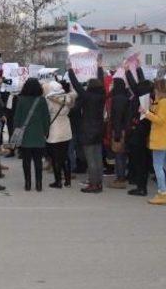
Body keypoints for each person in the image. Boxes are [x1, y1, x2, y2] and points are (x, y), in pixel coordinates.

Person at [141, 79, 166, 205]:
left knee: (158, 166)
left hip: (159, 137)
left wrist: (146, 112)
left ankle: (162, 193)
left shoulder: (164, 102)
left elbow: (160, 120)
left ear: (160, 90)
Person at [68, 64, 106, 194]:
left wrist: (70, 70)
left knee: (91, 159)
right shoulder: (102, 96)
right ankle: (99, 182)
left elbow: (76, 85)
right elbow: (101, 81)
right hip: (99, 129)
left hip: (88, 130)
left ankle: (93, 184)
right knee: (98, 157)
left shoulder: (87, 96)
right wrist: (100, 67)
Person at [13, 78, 49, 192]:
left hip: (25, 136)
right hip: (38, 135)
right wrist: (45, 132)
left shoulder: (21, 100)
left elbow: (17, 118)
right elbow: (46, 118)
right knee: (38, 161)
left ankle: (27, 183)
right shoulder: (42, 100)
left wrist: (16, 132)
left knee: (26, 161)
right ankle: (39, 184)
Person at [125, 65, 153, 197]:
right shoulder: (147, 96)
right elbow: (139, 85)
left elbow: (135, 86)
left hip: (138, 133)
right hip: (145, 132)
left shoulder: (141, 99)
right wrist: (137, 68)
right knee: (144, 161)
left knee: (139, 161)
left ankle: (141, 187)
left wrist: (127, 71)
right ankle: (141, 186)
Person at [44, 81, 75, 188]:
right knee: (65, 156)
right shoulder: (67, 98)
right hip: (66, 128)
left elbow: (47, 113)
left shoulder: (49, 100)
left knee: (55, 157)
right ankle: (68, 180)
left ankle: (58, 181)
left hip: (54, 129)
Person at [107, 78, 130, 189]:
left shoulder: (117, 99)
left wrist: (116, 133)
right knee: (123, 154)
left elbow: (117, 117)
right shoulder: (125, 97)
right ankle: (122, 176)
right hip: (125, 129)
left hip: (119, 130)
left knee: (119, 155)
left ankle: (120, 178)